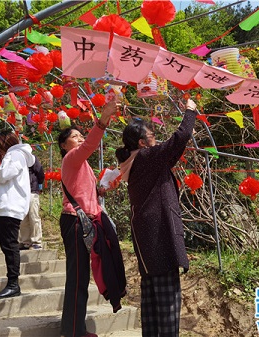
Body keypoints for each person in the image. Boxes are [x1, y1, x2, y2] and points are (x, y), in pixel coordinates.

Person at [115, 98, 198, 337]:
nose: (157, 140)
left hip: (147, 239)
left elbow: (171, 154)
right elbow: (178, 140)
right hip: (160, 236)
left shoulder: (134, 161)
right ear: (142, 143)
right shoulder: (145, 157)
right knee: (168, 305)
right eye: (153, 136)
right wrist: (190, 112)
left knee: (152, 304)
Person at [57, 100, 120, 337]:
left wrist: (103, 188)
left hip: (86, 222)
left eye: (80, 134)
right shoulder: (72, 158)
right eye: (74, 136)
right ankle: (74, 331)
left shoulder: (83, 165)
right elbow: (91, 144)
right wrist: (103, 119)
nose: (80, 137)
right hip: (75, 222)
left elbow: (87, 194)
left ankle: (74, 327)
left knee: (82, 275)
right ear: (64, 145)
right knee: (77, 276)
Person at [0, 130, 35, 300]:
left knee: (9, 244)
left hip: (10, 207)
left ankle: (13, 284)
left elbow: (4, 175)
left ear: (3, 145)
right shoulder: (15, 156)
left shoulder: (16, 155)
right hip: (5, 207)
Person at [19, 154, 45, 250]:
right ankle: (25, 241)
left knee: (34, 216)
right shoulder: (15, 160)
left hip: (32, 191)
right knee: (23, 218)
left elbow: (40, 173)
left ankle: (36, 241)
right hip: (21, 193)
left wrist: (39, 186)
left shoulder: (32, 158)